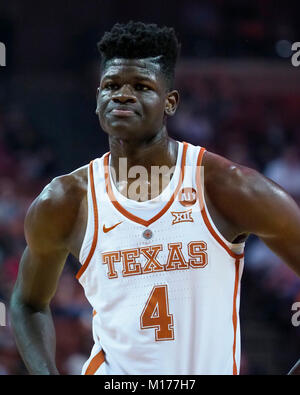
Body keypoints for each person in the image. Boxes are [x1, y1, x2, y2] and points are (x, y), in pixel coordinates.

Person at [10, 21, 300, 375]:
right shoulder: (65, 200)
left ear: (170, 102)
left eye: (141, 86)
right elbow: (27, 303)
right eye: (111, 86)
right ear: (97, 99)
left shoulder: (229, 188)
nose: (122, 95)